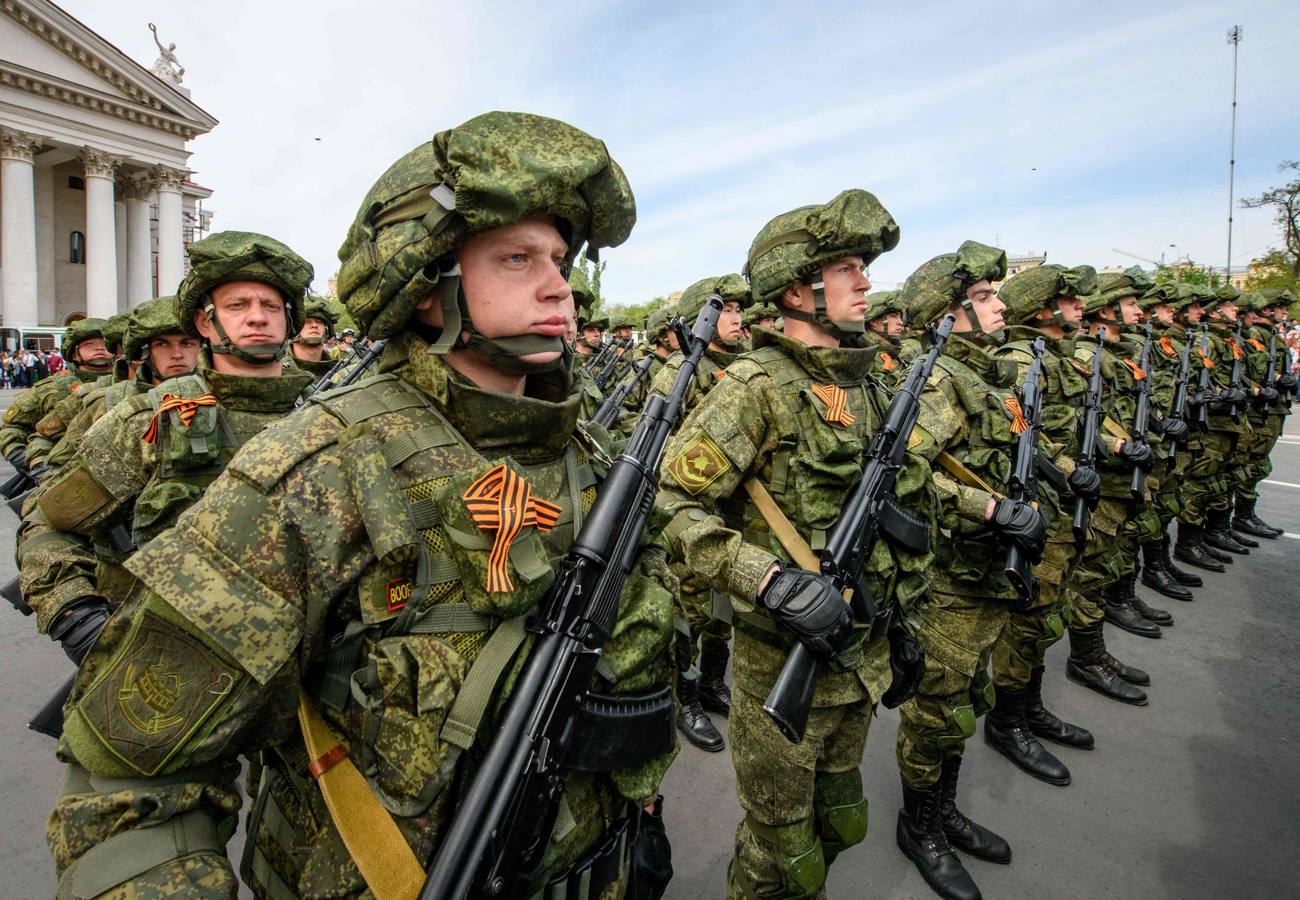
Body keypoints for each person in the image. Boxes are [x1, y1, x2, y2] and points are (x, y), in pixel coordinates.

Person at [47, 111, 675, 900]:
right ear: (425, 288)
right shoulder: (320, 466)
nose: (559, 285)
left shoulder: (587, 456)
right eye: (517, 258)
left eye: (558, 258)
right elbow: (129, 784)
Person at [658, 188, 932, 898]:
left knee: (840, 828)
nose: (866, 283)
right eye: (846, 268)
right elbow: (669, 501)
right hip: (783, 664)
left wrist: (907, 626)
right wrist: (767, 580)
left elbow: (895, 521)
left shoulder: (869, 385)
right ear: (797, 286)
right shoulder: (754, 388)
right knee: (781, 859)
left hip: (859, 663)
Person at [892, 242, 1051, 900]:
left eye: (994, 293)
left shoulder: (984, 375)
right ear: (947, 315)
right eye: (982, 297)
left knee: (963, 703)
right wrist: (986, 507)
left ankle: (944, 810)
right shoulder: (937, 380)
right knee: (936, 709)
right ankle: (919, 824)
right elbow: (907, 472)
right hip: (952, 579)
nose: (997, 304)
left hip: (986, 573)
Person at [648, 274, 750, 753]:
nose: (737, 318)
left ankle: (711, 682)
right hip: (691, 513)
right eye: (726, 310)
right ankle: (684, 696)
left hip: (732, 511)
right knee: (690, 609)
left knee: (722, 612)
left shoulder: (740, 370)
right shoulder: (679, 371)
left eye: (737, 309)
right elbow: (664, 445)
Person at [290, 295, 341, 375]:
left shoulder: (339, 371)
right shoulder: (276, 368)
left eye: (319, 322)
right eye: (307, 322)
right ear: (294, 327)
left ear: (326, 329)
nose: (314, 325)